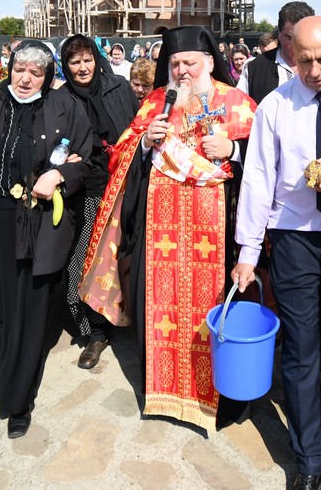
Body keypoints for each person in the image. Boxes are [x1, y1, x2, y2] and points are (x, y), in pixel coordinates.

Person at [80, 26, 256, 431]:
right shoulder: (157, 102)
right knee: (157, 306)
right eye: (174, 63)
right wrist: (144, 144)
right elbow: (119, 154)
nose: (181, 71)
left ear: (210, 62)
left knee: (218, 308)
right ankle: (163, 390)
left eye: (189, 63)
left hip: (221, 234)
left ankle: (219, 397)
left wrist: (234, 149)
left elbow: (268, 156)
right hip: (159, 234)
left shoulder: (239, 103)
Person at [232, 16, 321, 490]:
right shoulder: (274, 106)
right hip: (292, 237)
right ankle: (310, 453)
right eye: (305, 60)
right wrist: (248, 250)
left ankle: (308, 388)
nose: (315, 71)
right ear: (291, 53)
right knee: (299, 343)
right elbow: (257, 179)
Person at [0, 41, 95, 439]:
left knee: (26, 313)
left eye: (35, 72)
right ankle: (4, 360)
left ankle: (17, 397)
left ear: (47, 76)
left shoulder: (65, 108)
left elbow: (85, 161)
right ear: (9, 68)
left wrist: (58, 176)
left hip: (34, 225)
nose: (25, 78)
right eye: (20, 69)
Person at [58, 34, 139, 369]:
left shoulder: (118, 87)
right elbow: (55, 145)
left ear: (97, 59)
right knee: (87, 264)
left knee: (128, 260)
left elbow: (139, 129)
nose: (82, 67)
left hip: (126, 187)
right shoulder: (60, 99)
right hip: (89, 193)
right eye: (74, 62)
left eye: (87, 59)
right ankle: (96, 333)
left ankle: (135, 321)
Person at [238, 1, 316, 104]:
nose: (295, 44)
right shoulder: (255, 68)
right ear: (279, 34)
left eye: (302, 37)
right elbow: (238, 106)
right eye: (289, 37)